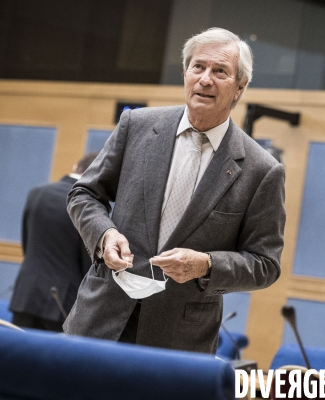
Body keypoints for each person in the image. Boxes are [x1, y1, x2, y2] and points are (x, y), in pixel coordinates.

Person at [64, 27, 286, 353]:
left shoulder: (261, 170)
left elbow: (265, 264)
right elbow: (84, 194)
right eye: (198, 67)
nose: (205, 79)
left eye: (220, 71)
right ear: (185, 72)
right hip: (99, 319)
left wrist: (206, 264)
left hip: (179, 339)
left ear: (240, 87)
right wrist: (104, 236)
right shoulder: (135, 126)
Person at [9, 153, 98, 332]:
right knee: (50, 359)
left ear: (75, 167)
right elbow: (88, 264)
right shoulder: (88, 204)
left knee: (17, 356)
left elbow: (27, 245)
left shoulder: (37, 193)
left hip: (25, 295)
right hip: (62, 302)